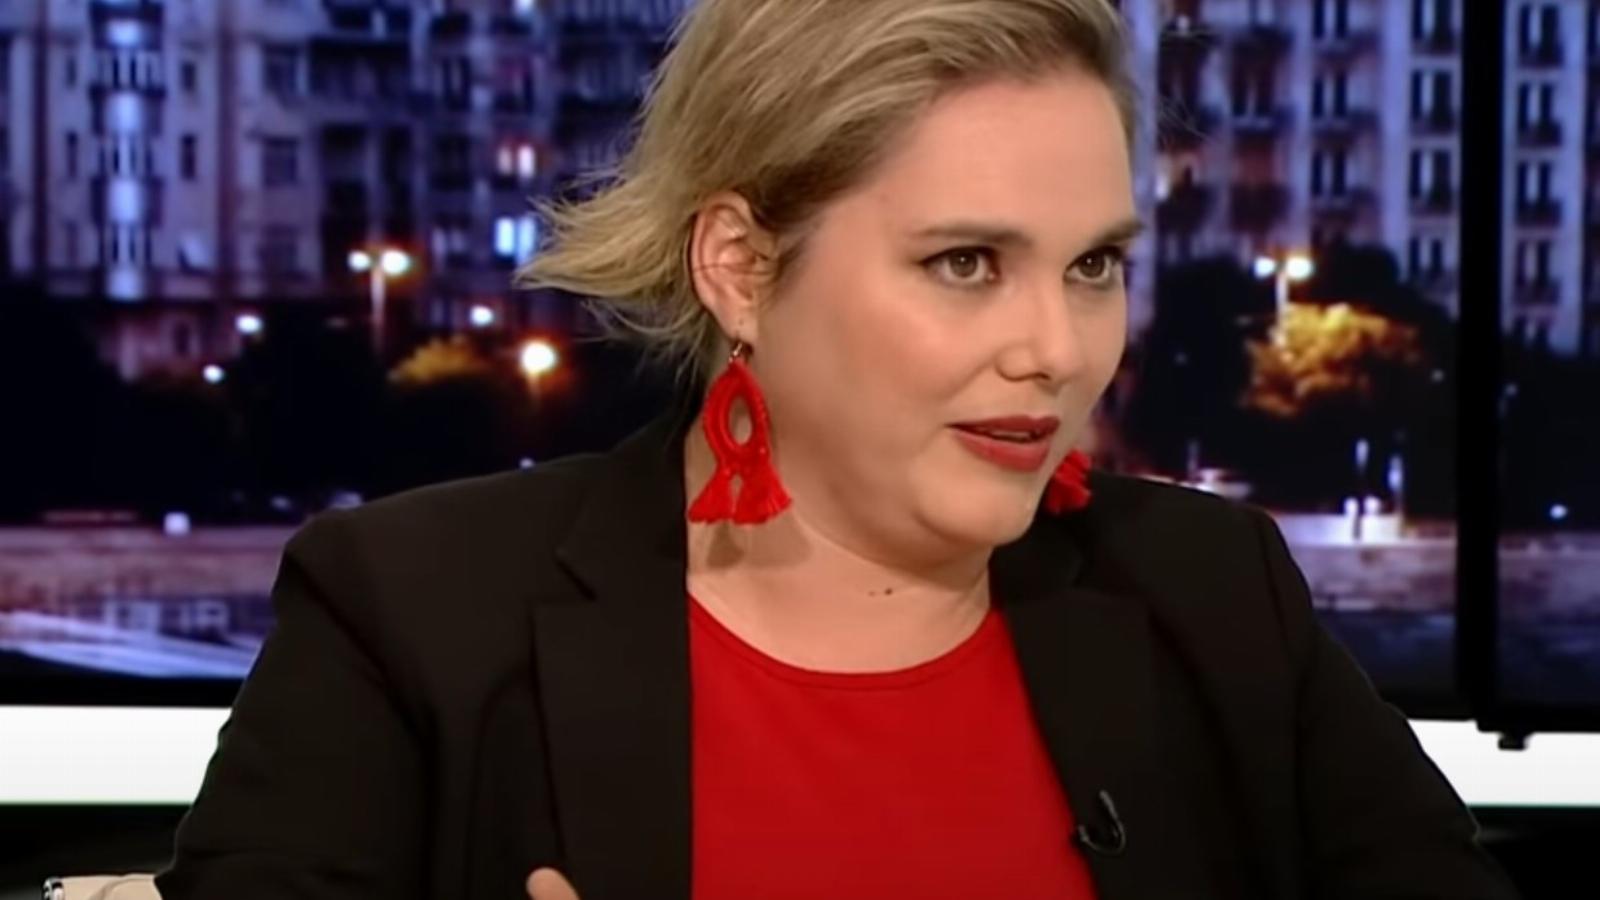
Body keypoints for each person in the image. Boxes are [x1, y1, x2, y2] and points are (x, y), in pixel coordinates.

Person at [155, 1, 1520, 898]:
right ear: (742, 266)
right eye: (967, 262)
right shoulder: (406, 620)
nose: (1059, 348)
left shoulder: (1219, 595)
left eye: (1094, 264)